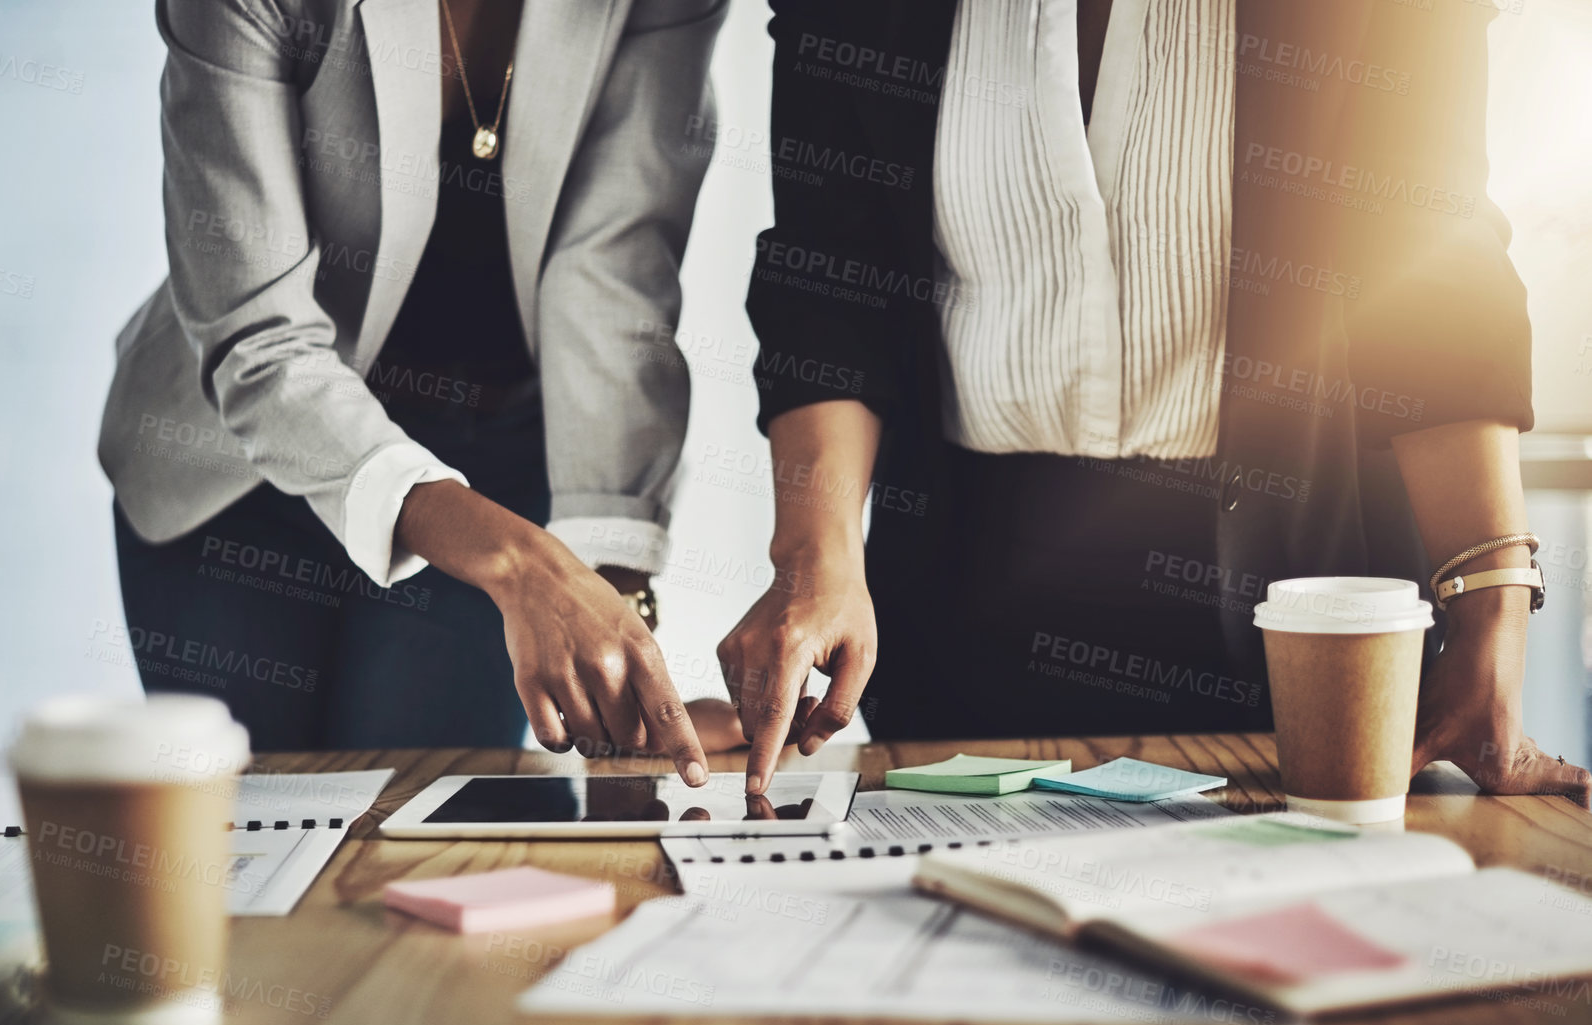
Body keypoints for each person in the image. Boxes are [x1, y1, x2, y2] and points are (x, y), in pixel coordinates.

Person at [718, 0, 1590, 807]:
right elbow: (830, 272)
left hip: (1310, 613)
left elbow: (1433, 249)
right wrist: (812, 560)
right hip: (961, 600)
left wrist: (1491, 614)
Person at [100, 0, 725, 784]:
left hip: (491, 470)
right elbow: (259, 338)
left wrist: (614, 598)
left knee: (414, 850)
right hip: (236, 465)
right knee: (252, 849)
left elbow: (613, 275)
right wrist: (522, 561)